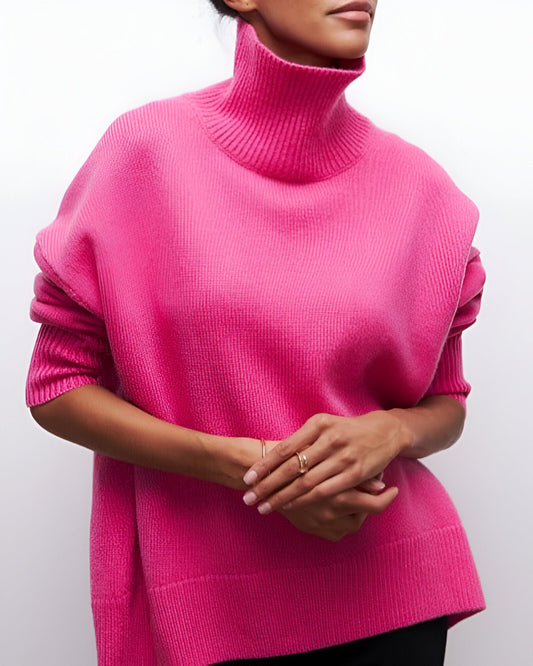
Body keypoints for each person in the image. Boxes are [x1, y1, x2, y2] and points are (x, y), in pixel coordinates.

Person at [26, 1, 486, 664]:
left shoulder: (424, 191)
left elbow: (446, 405)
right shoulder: (147, 151)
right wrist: (253, 469)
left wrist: (391, 432)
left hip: (391, 597)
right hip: (208, 602)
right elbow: (57, 387)